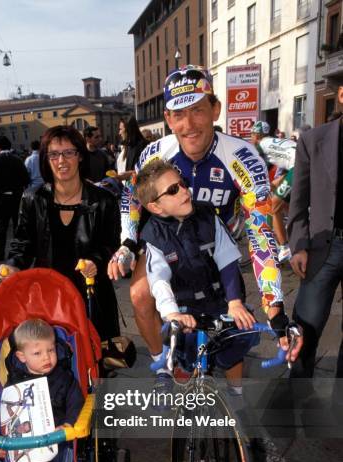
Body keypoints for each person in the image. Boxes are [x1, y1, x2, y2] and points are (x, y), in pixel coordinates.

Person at [108, 65, 301, 388]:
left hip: (215, 247)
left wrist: (275, 307)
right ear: (168, 119)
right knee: (140, 293)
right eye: (179, 114)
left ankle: (238, 403)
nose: (189, 124)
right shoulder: (156, 153)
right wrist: (127, 243)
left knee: (232, 324)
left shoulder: (243, 156)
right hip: (168, 243)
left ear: (215, 109)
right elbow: (131, 198)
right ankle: (163, 363)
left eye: (197, 110)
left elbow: (261, 234)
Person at [136, 160, 257, 391]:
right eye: (173, 190)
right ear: (156, 207)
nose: (183, 191)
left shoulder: (208, 215)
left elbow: (228, 259)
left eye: (182, 184)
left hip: (219, 299)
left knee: (239, 337)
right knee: (189, 353)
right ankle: (188, 383)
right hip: (185, 307)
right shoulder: (153, 234)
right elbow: (158, 279)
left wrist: (234, 302)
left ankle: (236, 392)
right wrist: (171, 312)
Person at [0, 125, 121, 341]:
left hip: (92, 295)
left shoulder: (103, 200)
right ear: (45, 159)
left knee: (94, 360)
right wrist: (13, 263)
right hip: (48, 295)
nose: (61, 161)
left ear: (80, 156)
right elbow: (22, 241)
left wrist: (95, 260)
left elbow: (111, 244)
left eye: (68, 153)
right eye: (53, 154)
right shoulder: (32, 198)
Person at [0, 318, 84, 462]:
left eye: (51, 350)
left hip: (54, 437)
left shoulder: (64, 378)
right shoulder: (13, 385)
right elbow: (2, 414)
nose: (47, 357)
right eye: (38, 353)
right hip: (23, 442)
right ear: (21, 357)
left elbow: (76, 403)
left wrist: (68, 424)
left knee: (64, 445)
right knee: (8, 455)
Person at [287, 84, 343, 378]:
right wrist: (298, 245)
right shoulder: (313, 140)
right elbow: (299, 197)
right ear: (342, 95)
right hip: (324, 245)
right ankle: (296, 394)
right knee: (305, 329)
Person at [0, 136, 30, 261]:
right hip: (17, 195)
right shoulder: (17, 159)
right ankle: (18, 252)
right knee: (18, 224)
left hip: (3, 196)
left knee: (1, 225)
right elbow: (26, 179)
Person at [116, 116, 147, 182]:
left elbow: (147, 170)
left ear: (128, 129)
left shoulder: (143, 146)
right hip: (129, 189)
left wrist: (129, 174)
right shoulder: (129, 146)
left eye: (121, 129)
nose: (119, 133)